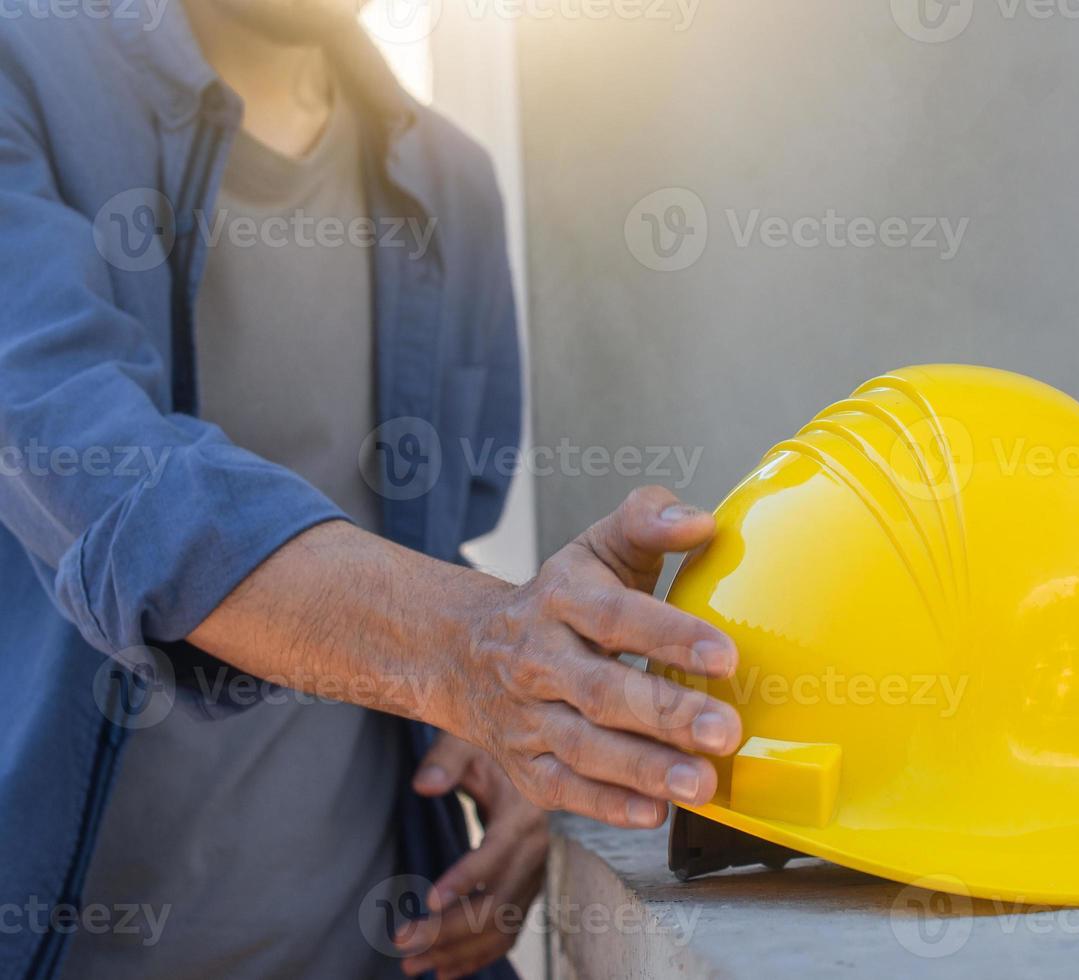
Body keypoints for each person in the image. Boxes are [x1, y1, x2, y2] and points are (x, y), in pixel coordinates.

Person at [0, 1, 741, 977]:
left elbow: (432, 546)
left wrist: (522, 739)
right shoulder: (23, 69)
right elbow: (99, 474)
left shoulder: (451, 183)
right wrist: (472, 649)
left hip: (382, 946)